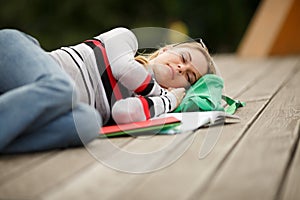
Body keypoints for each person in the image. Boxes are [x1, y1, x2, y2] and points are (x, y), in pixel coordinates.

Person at [0, 27, 216, 153]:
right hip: (12, 55)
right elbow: (126, 70)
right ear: (165, 50)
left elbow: (124, 113)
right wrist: (165, 93)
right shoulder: (125, 39)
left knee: (88, 123)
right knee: (65, 90)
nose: (181, 68)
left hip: (24, 107)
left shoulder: (147, 101)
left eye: (189, 75)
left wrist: (168, 101)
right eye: (183, 59)